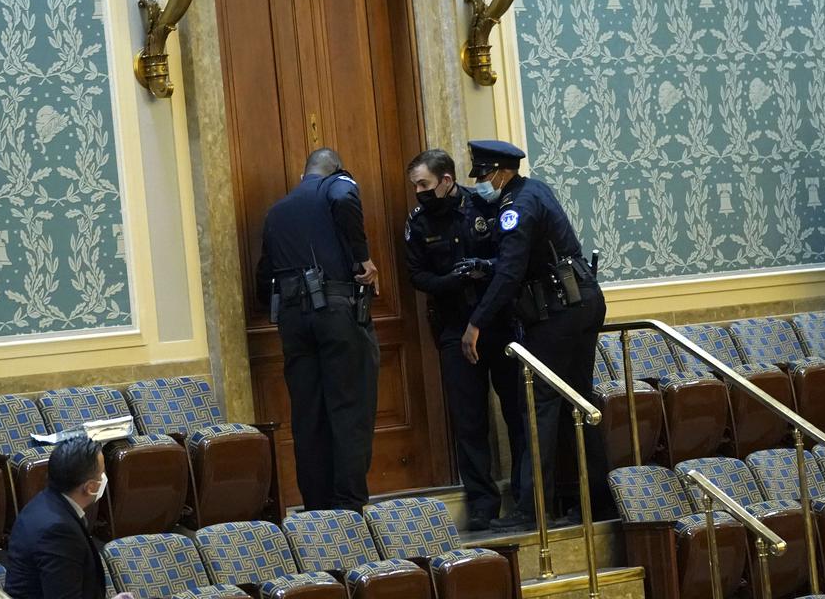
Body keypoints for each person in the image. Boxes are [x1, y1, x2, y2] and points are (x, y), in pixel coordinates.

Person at [460, 140, 613, 531]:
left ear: (502, 172)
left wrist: (476, 322)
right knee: (579, 402)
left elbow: (511, 272)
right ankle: (595, 502)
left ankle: (533, 509)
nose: (482, 183)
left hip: (557, 312)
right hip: (583, 301)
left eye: (485, 175)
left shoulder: (516, 208)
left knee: (539, 407)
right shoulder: (535, 189)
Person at [404, 149, 525, 531]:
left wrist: (480, 272)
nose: (419, 192)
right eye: (415, 186)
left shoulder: (483, 207)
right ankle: (482, 504)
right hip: (455, 328)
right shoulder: (418, 222)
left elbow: (508, 259)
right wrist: (453, 280)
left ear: (446, 180)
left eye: (424, 184)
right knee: (468, 420)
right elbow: (417, 275)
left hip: (498, 323)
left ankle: (526, 497)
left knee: (516, 414)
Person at [255, 147, 380, 513]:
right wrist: (363, 256)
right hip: (336, 313)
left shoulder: (276, 211)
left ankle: (317, 510)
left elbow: (264, 276)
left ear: (302, 174)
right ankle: (349, 507)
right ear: (333, 170)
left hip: (293, 320)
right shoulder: (336, 184)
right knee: (349, 408)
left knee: (308, 416)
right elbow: (344, 198)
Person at [4, 436, 131, 599]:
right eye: (102, 472)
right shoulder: (58, 532)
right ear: (90, 487)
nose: (105, 477)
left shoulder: (42, 503)